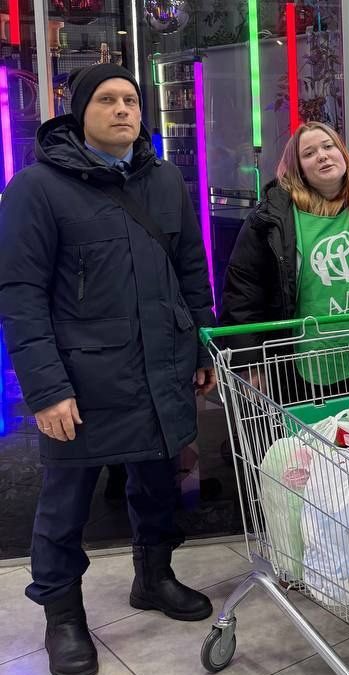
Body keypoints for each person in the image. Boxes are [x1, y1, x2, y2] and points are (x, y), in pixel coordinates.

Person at [0, 63, 217, 675]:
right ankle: (63, 615)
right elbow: (20, 294)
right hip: (82, 380)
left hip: (161, 367)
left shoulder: (164, 179)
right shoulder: (37, 189)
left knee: (157, 484)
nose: (123, 109)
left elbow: (190, 270)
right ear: (79, 113)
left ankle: (154, 577)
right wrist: (46, 389)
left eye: (131, 100)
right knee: (65, 504)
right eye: (106, 99)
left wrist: (201, 348)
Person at [220, 121, 349, 429]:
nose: (322, 155)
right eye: (308, 153)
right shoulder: (271, 220)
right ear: (298, 169)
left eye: (328, 146)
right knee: (325, 455)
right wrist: (249, 361)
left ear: (343, 154)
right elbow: (243, 292)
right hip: (312, 371)